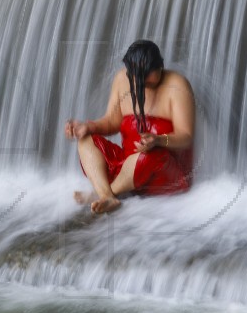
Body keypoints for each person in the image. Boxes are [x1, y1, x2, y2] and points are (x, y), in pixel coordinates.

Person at [64, 40, 195, 213]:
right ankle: (107, 196)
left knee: (149, 155)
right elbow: (112, 121)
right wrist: (88, 127)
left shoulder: (178, 86)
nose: (141, 80)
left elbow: (186, 136)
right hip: (127, 169)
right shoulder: (121, 80)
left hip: (165, 175)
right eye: (137, 75)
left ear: (160, 66)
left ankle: (101, 194)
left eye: (147, 74)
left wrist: (158, 140)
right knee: (86, 140)